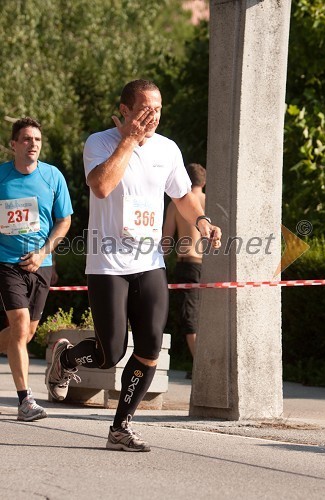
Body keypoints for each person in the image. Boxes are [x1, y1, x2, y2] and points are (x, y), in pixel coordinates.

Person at [46, 79, 221, 452]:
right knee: (110, 353)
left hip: (149, 260)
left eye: (157, 109)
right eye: (144, 109)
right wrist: (128, 139)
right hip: (107, 261)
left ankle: (120, 427)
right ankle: (68, 357)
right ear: (124, 110)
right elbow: (102, 186)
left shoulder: (168, 149)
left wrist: (203, 221)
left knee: (150, 348)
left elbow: (183, 196)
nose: (152, 116)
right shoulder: (100, 142)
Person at [0, 117, 73, 421]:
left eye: (38, 140)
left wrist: (44, 252)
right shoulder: (1, 176)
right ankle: (25, 401)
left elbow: (64, 220)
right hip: (6, 263)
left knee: (26, 334)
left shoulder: (52, 176)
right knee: (19, 325)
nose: (33, 145)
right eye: (27, 139)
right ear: (14, 144)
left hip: (41, 264)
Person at [162, 163, 206, 368]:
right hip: (208, 266)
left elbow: (166, 240)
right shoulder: (210, 202)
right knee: (207, 316)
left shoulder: (177, 204)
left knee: (190, 319)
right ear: (204, 182)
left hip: (187, 264)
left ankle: (201, 367)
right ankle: (205, 364)